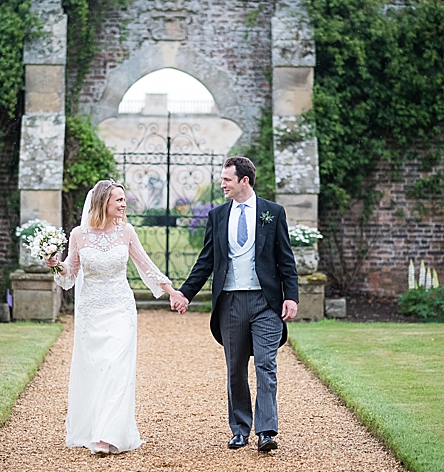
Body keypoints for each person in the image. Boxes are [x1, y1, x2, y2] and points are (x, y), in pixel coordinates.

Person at [45, 179, 187, 455]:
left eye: (124, 199)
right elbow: (70, 275)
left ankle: (108, 434)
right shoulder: (78, 235)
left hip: (120, 309)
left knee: (116, 365)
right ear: (103, 203)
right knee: (97, 368)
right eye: (119, 200)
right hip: (91, 311)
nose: (124, 204)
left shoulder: (127, 232)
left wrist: (172, 291)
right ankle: (95, 426)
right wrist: (56, 265)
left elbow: (146, 265)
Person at [176, 156, 299, 452]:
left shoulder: (273, 212)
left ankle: (266, 431)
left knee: (266, 365)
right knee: (235, 369)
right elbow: (206, 261)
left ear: (244, 180)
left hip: (266, 302)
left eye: (227, 180)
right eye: (222, 180)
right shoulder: (218, 215)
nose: (222, 185)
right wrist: (185, 293)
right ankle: (240, 429)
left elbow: (286, 259)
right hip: (230, 301)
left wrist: (291, 296)